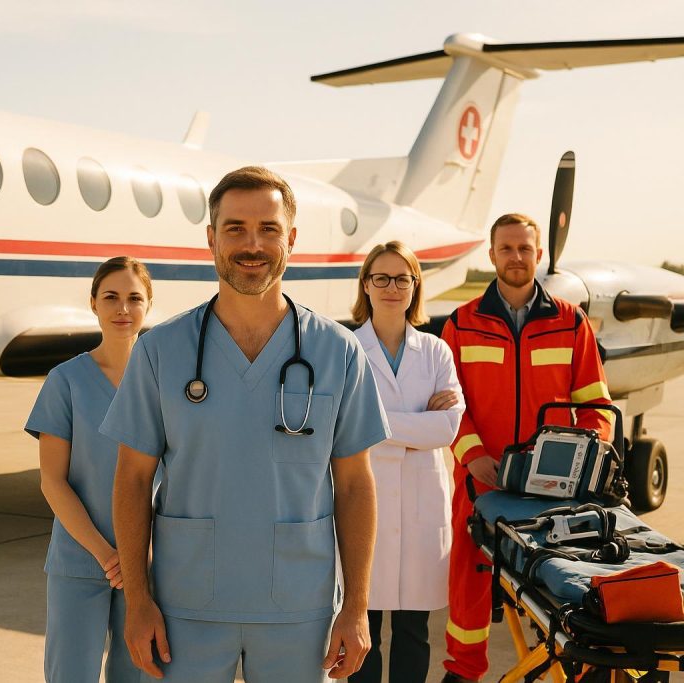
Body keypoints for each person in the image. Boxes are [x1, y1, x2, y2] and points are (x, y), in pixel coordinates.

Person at [99, 166, 389, 682]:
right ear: (211, 238)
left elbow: (354, 483)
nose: (252, 244)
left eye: (269, 229)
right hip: (184, 607)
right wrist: (138, 601)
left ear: (291, 239)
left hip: (302, 608)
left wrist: (358, 606)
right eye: (235, 228)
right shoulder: (160, 350)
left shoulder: (338, 351)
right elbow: (132, 477)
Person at [440, 213, 613, 683]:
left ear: (539, 255)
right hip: (481, 482)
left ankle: (573, 662)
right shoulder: (461, 324)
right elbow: (449, 405)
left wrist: (585, 464)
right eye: (507, 248)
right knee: (469, 581)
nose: (517, 257)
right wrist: (473, 455)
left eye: (525, 249)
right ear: (492, 254)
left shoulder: (570, 322)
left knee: (560, 581)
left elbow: (596, 403)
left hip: (555, 489)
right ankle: (463, 671)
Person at [25, 256, 154, 683]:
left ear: (148, 304)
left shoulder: (164, 383)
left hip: (151, 562)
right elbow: (52, 480)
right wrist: (106, 555)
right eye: (111, 297)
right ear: (93, 303)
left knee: (138, 673)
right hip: (81, 558)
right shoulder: (66, 380)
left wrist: (141, 556)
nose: (122, 309)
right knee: (70, 675)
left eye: (134, 298)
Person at [349, 241, 464, 683]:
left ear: (415, 286)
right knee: (365, 628)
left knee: (415, 632)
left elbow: (447, 429)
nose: (391, 287)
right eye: (381, 277)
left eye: (402, 278)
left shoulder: (436, 351)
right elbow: (342, 423)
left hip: (420, 512)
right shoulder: (348, 348)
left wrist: (375, 421)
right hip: (366, 503)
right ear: (366, 284)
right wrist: (418, 423)